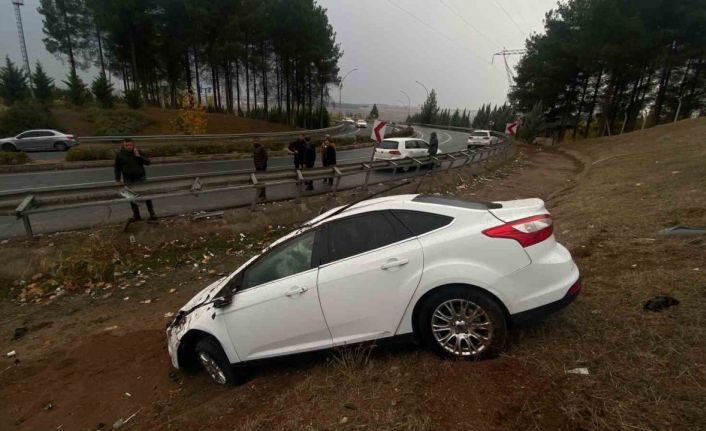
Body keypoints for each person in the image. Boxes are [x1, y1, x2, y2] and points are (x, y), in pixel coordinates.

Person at [114, 138, 157, 223]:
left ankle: (152, 214)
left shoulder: (137, 152)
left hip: (140, 177)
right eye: (126, 145)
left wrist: (139, 156)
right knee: (131, 197)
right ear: (123, 145)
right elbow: (117, 168)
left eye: (130, 145)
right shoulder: (120, 155)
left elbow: (148, 162)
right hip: (128, 179)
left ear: (133, 145)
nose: (128, 147)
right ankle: (136, 215)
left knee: (146, 195)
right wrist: (118, 180)